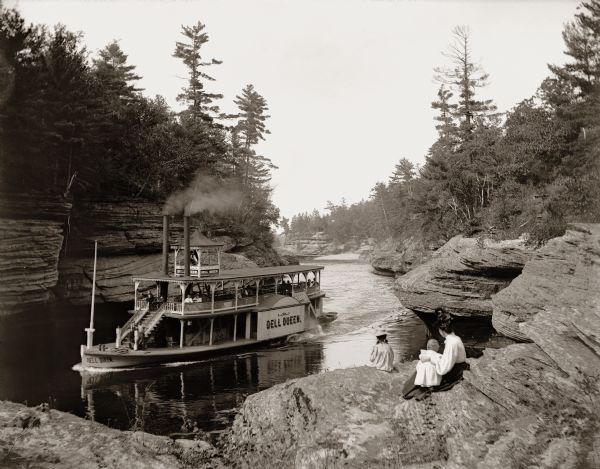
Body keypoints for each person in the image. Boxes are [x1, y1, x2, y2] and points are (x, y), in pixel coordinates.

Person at [402, 308, 468, 400]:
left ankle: (408, 390)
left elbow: (443, 369)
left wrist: (431, 359)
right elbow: (448, 360)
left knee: (425, 367)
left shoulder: (451, 343)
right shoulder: (455, 338)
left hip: (455, 372)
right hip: (458, 367)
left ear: (441, 330)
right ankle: (413, 387)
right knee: (426, 366)